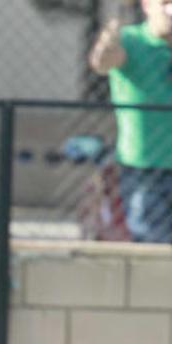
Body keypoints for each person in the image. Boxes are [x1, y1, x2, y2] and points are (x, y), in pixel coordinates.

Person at [89, 0, 172, 242]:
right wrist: (109, 37)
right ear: (147, 5)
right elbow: (102, 62)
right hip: (144, 169)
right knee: (153, 244)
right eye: (165, 3)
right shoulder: (131, 41)